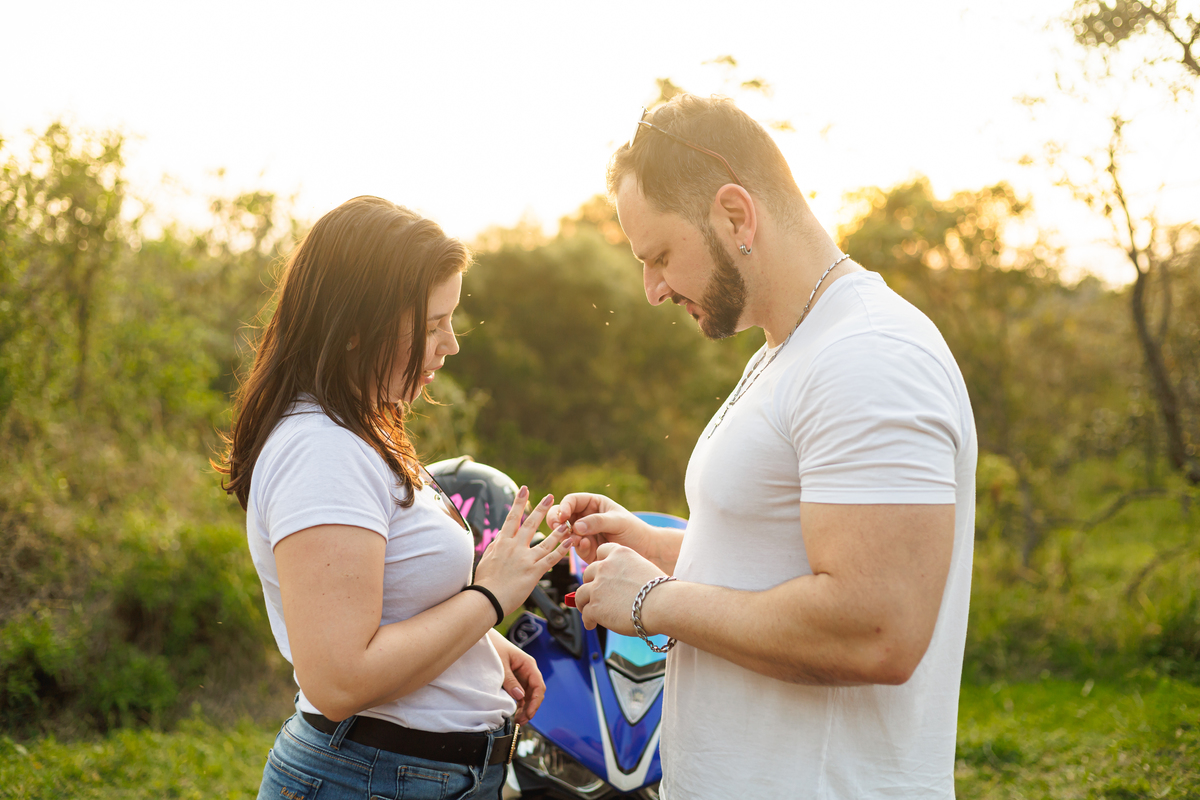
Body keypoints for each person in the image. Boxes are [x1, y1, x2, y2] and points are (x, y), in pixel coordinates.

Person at [551, 95, 978, 799]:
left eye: (659, 256)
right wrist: (656, 546)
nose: (653, 290)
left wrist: (653, 601)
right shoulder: (790, 349)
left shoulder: (868, 355)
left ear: (735, 214)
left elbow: (874, 629)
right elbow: (786, 563)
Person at [217, 196, 570, 800]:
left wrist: (479, 647)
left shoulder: (358, 431)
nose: (451, 344)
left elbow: (390, 608)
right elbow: (339, 678)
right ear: (356, 326)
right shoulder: (321, 451)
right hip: (372, 780)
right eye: (434, 324)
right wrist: (489, 598)